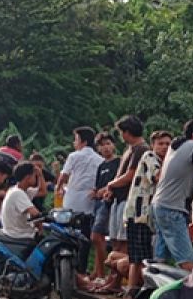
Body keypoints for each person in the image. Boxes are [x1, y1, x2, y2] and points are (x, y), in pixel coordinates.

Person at [152, 120, 193, 270]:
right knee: (186, 259)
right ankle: (192, 292)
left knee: (160, 258)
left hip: (159, 205)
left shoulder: (175, 147)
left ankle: (152, 289)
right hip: (171, 208)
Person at [124, 130, 172, 296]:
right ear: (153, 145)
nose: (165, 147)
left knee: (141, 256)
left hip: (147, 216)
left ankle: (137, 293)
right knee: (139, 258)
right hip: (140, 215)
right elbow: (158, 177)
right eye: (161, 143)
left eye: (168, 144)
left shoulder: (162, 161)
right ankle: (133, 294)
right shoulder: (150, 157)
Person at [57, 127, 103, 271]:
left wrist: (58, 187)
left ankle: (64, 264)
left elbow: (64, 175)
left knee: (66, 234)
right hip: (89, 202)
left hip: (72, 201)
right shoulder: (100, 159)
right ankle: (81, 268)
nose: (74, 143)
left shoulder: (73, 156)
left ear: (83, 141)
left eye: (76, 139)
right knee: (85, 236)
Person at [104, 115, 150, 259]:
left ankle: (122, 277)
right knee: (115, 241)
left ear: (127, 132)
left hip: (130, 201)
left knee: (125, 243)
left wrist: (110, 184)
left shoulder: (141, 150)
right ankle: (114, 277)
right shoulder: (130, 150)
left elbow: (130, 176)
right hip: (119, 198)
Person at [87, 133, 121, 288]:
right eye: (102, 145)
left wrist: (105, 190)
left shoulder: (118, 162)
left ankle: (102, 275)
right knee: (98, 239)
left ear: (113, 145)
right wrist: (95, 192)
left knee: (97, 236)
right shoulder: (101, 166)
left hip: (111, 203)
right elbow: (97, 185)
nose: (106, 147)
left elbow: (118, 182)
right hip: (99, 204)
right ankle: (96, 272)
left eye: (108, 143)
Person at [0, 162, 42, 240]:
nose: (35, 177)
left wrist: (40, 175)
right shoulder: (18, 193)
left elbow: (43, 191)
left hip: (15, 231)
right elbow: (36, 214)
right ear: (28, 178)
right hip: (20, 234)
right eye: (34, 175)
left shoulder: (20, 190)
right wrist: (41, 229)